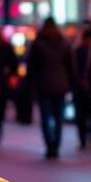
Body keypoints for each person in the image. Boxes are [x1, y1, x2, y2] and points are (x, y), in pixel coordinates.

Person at [27, 17, 74, 159]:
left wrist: (31, 82)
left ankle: (49, 145)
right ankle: (56, 145)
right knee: (59, 117)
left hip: (43, 84)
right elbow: (72, 65)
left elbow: (31, 66)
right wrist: (71, 83)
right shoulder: (64, 43)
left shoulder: (37, 43)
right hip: (61, 84)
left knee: (46, 117)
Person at [72, 23, 91, 150]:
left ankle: (83, 139)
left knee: (81, 115)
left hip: (79, 87)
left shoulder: (76, 51)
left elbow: (73, 70)